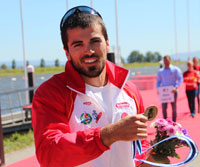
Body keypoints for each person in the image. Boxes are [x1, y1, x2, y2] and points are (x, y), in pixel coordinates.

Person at [32, 6, 150, 167]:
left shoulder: (130, 90)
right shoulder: (50, 93)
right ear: (67, 52)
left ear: (107, 44)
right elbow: (49, 153)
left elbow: (139, 147)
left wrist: (158, 154)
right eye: (78, 45)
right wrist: (109, 135)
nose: (89, 51)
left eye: (95, 41)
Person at [156, 56, 183, 122]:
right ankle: (165, 123)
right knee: (164, 108)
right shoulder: (161, 71)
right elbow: (158, 81)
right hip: (164, 92)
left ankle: (174, 122)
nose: (166, 62)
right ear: (163, 61)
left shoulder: (175, 69)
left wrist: (176, 87)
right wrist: (158, 89)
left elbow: (180, 79)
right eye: (165, 61)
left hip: (173, 91)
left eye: (167, 60)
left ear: (170, 60)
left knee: (174, 108)